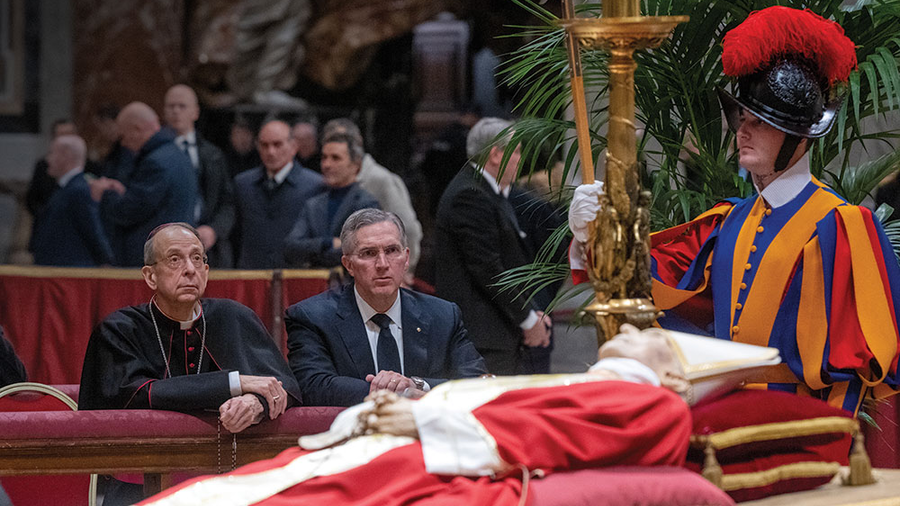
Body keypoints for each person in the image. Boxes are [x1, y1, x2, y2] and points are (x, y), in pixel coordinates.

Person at [569, 6, 900, 415]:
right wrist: (596, 231)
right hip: (721, 412)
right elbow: (645, 283)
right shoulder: (729, 220)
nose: (741, 130)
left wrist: (830, 433)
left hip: (796, 423)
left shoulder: (842, 226)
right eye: (742, 117)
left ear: (798, 136)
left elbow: (857, 367)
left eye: (759, 122)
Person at [138, 324, 777, 506]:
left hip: (435, 454)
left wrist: (421, 421)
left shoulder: (646, 400)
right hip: (411, 439)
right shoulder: (611, 380)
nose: (638, 329)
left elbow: (549, 433)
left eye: (654, 338)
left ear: (670, 373)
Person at [79, 223, 302, 503]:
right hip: (140, 485)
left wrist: (257, 404)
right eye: (174, 259)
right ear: (150, 276)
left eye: (197, 258)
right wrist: (236, 383)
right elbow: (138, 394)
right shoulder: (120, 329)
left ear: (207, 271)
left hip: (227, 479)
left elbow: (286, 386)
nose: (189, 269)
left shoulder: (234, 317)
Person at [285, 208, 488, 406]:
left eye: (391, 251)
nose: (382, 264)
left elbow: (476, 380)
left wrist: (415, 385)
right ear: (348, 264)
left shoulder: (443, 315)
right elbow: (311, 386)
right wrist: (391, 391)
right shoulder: (312, 317)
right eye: (369, 253)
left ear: (406, 258)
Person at [435, 117, 552, 375]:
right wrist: (528, 319)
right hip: (481, 336)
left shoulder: (487, 191)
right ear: (497, 155)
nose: (520, 159)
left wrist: (532, 312)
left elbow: (510, 262)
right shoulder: (470, 195)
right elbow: (489, 269)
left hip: (497, 330)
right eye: (517, 151)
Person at [89, 102, 197, 266]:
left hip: (153, 258)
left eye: (124, 136)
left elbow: (130, 211)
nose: (123, 143)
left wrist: (106, 192)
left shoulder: (155, 163)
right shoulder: (176, 154)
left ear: (137, 129)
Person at [322, 118, 423, 280]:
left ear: (358, 143)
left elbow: (408, 229)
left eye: (343, 140)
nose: (329, 163)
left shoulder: (381, 179)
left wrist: (403, 271)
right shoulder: (329, 180)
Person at [233, 119, 324, 269]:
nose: (271, 152)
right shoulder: (243, 184)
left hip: (297, 275)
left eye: (277, 144)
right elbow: (236, 233)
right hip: (251, 275)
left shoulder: (315, 185)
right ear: (257, 146)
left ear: (293, 146)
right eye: (264, 145)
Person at [164, 84, 237, 268]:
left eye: (182, 106)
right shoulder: (154, 155)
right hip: (167, 246)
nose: (176, 111)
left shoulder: (213, 155)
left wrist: (214, 230)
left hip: (210, 249)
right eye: (171, 106)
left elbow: (228, 201)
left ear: (195, 113)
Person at [283, 132, 379, 268]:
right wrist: (327, 243)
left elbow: (361, 251)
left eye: (336, 158)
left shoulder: (366, 203)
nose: (326, 165)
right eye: (324, 158)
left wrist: (314, 253)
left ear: (355, 165)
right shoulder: (313, 204)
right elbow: (291, 247)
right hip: (316, 285)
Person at [29, 134, 114, 266]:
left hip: (70, 272)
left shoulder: (78, 191)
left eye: (51, 153)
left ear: (65, 155)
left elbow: (93, 232)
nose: (47, 159)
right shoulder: (64, 189)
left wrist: (108, 261)